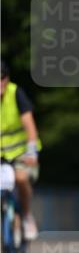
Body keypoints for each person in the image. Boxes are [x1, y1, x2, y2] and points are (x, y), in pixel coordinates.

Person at [0, 58, 41, 239]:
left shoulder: (15, 93)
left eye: (2, 78)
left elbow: (29, 125)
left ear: (7, 79)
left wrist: (31, 151)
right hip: (2, 154)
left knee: (21, 178)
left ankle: (26, 216)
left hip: (22, 153)